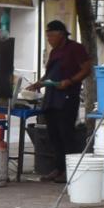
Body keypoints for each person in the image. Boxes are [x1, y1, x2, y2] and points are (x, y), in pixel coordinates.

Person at [28, 20, 92, 183]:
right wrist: (39, 83)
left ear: (61, 34)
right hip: (51, 97)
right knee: (53, 135)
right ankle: (58, 168)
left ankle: (69, 170)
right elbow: (49, 74)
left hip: (67, 97)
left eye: (51, 36)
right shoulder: (54, 52)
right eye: (47, 36)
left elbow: (86, 69)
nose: (49, 39)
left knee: (66, 134)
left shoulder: (75, 48)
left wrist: (70, 81)